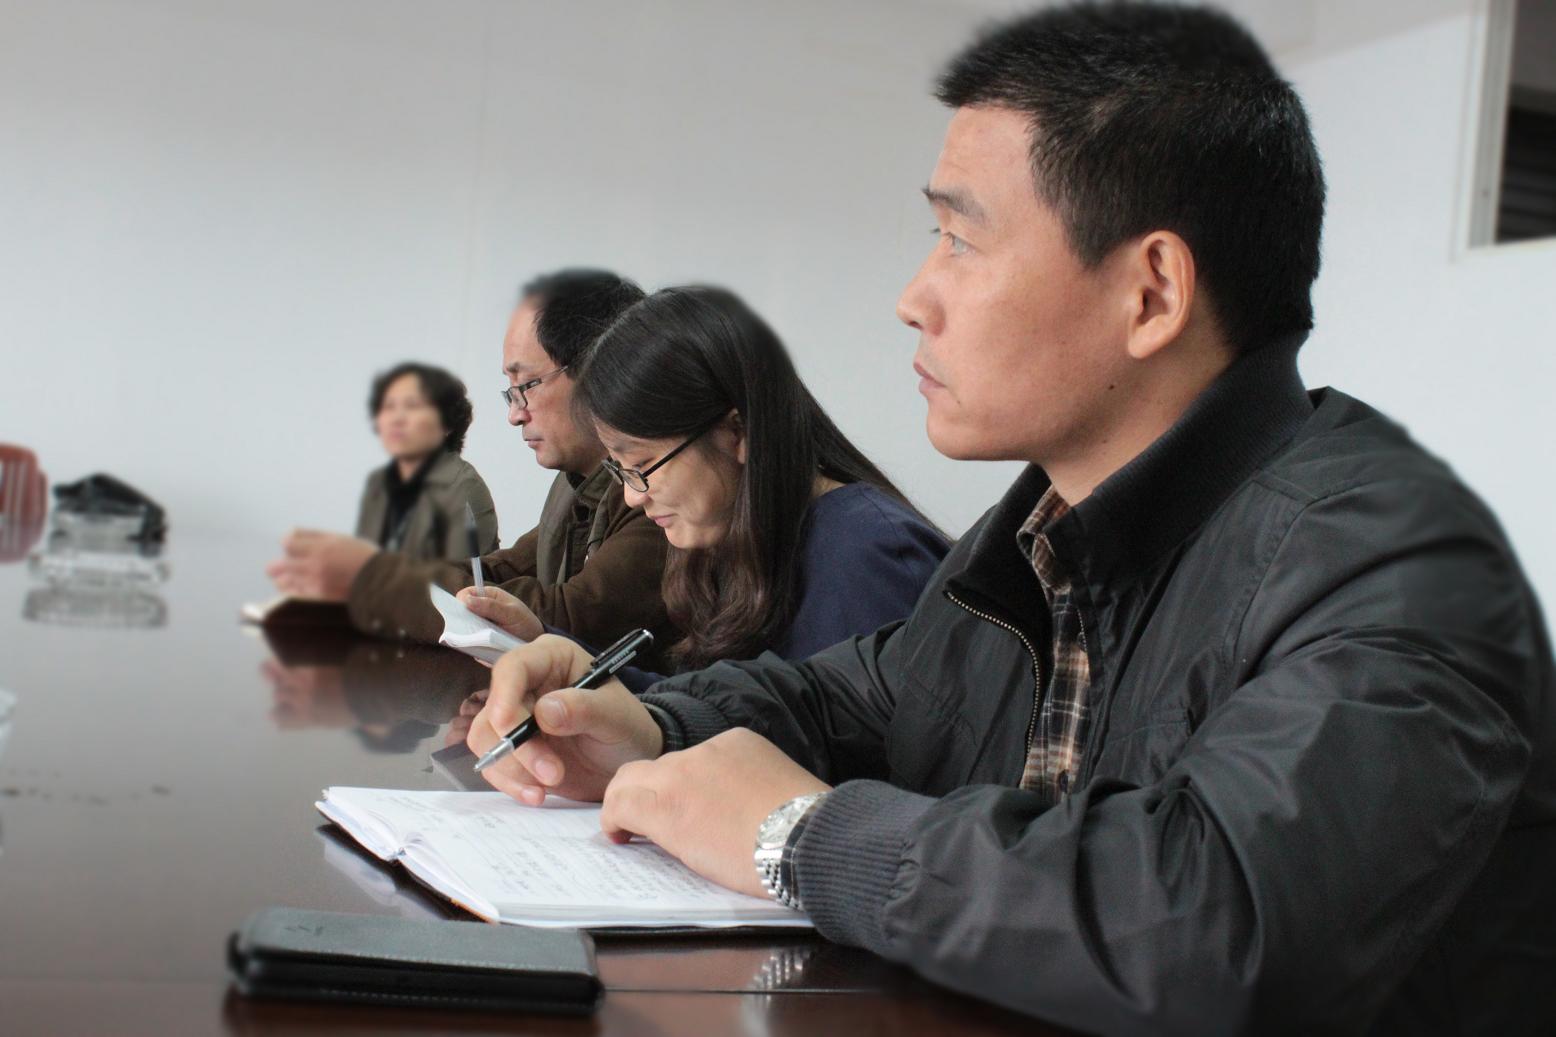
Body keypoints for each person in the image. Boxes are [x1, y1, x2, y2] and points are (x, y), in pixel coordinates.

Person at [463, 5, 1555, 1033]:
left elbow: (1214, 920)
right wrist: (644, 726)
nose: (913, 296)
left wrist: (801, 835)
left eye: (960, 240)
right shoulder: (1035, 531)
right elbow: (850, 696)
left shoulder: (1398, 565)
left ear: (1150, 293)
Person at [457, 286, 948, 692]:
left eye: (642, 465)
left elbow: (821, 751)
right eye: (620, 470)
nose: (632, 496)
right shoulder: (736, 537)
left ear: (737, 432)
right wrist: (547, 645)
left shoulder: (868, 557)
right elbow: (714, 704)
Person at [267, 269, 679, 672]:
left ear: (601, 372)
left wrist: (374, 581)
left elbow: (565, 619)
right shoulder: (575, 483)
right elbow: (500, 571)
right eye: (510, 391)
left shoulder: (660, 493)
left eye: (527, 385)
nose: (515, 415)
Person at [353, 362, 499, 562]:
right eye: (390, 407)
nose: (397, 419)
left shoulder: (465, 486)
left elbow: (467, 577)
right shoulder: (380, 482)